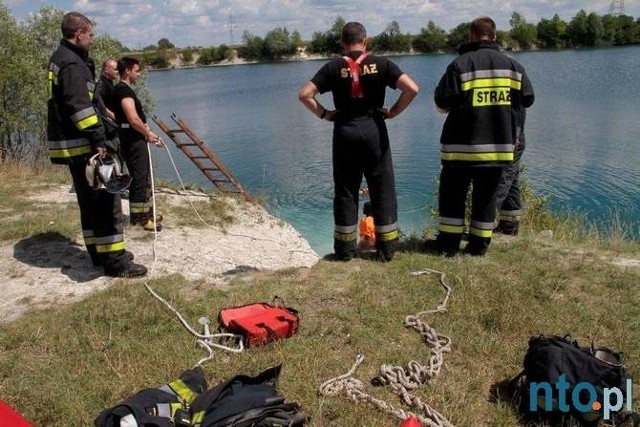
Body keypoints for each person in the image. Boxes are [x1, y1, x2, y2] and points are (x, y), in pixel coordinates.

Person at [298, 22, 419, 262]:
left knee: (345, 190)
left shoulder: (333, 67)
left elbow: (305, 95)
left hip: (345, 132)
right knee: (382, 189)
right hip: (374, 130)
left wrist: (325, 114)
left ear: (342, 42)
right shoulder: (382, 64)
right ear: (366, 40)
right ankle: (387, 250)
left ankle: (344, 251)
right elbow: (412, 88)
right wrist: (393, 112)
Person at [46, 12, 147, 277]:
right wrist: (98, 139)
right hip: (85, 144)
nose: (91, 40)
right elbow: (80, 108)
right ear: (79, 33)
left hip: (75, 144)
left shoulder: (62, 58)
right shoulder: (71, 63)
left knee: (89, 202)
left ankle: (98, 253)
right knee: (105, 201)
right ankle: (116, 261)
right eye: (90, 34)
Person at [431, 16, 534, 256]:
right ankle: (478, 248)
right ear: (494, 36)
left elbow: (442, 100)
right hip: (497, 148)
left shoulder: (460, 64)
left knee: (452, 197)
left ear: (470, 36)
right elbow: (528, 99)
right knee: (486, 199)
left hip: (460, 147)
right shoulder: (514, 67)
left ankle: (448, 245)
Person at [113, 56, 164, 231]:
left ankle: (147, 213)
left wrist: (146, 130)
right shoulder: (123, 91)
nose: (139, 74)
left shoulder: (125, 89)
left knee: (145, 177)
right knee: (139, 177)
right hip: (132, 140)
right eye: (136, 70)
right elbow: (133, 119)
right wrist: (148, 133)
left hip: (136, 137)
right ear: (127, 71)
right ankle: (140, 218)